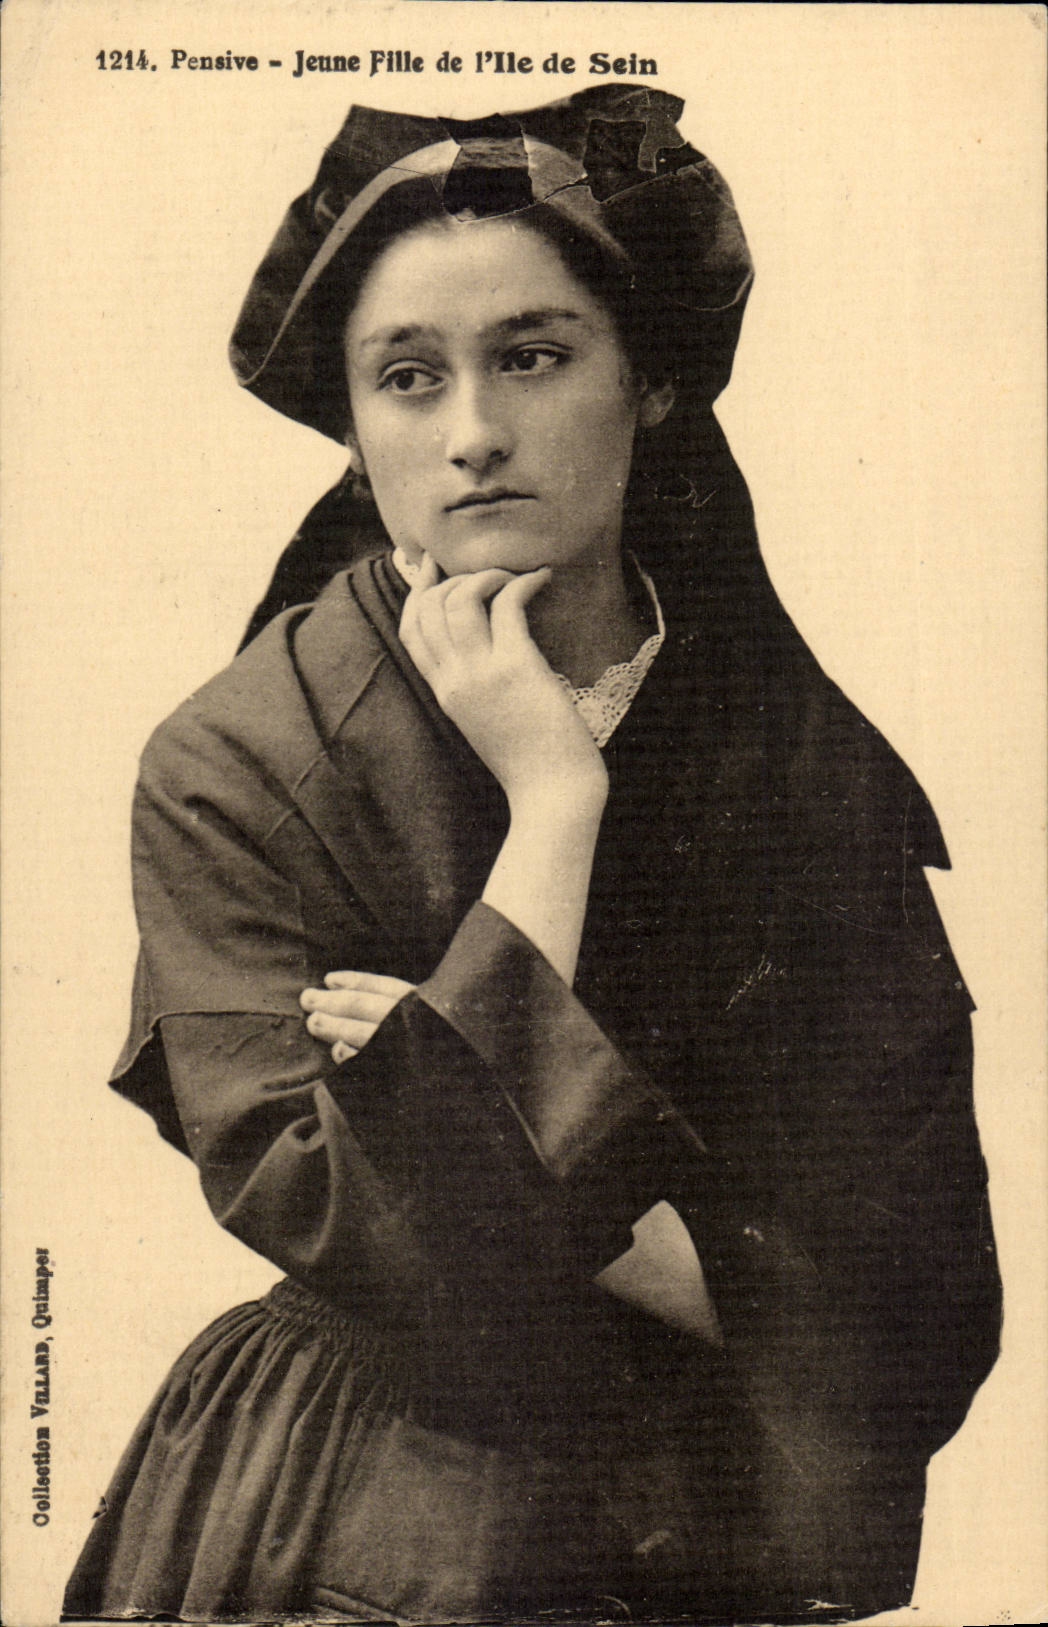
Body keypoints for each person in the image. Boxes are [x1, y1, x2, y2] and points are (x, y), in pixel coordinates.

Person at [63, 85, 1001, 1625]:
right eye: (408, 378)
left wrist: (490, 1099)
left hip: (708, 1522)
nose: (474, 434)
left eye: (534, 356)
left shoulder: (806, 768)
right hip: (358, 1508)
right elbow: (391, 1240)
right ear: (355, 431)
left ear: (653, 384)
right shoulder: (237, 764)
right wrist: (555, 802)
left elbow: (915, 1330)